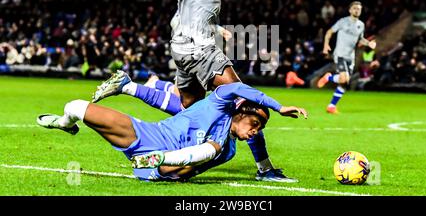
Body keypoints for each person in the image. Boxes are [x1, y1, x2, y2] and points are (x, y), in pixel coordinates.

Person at [155, 0, 294, 182]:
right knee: (246, 99)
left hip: (184, 50)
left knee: (192, 109)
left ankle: (172, 160)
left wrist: (217, 28)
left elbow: (195, 4)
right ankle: (265, 169)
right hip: (200, 50)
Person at [37, 81, 307, 181]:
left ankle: (158, 160)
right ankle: (64, 124)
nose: (255, 133)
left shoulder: (228, 149)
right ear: (242, 111)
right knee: (74, 106)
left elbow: (192, 170)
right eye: (256, 125)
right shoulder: (218, 101)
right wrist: (278, 106)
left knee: (211, 151)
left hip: (162, 166)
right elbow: (237, 88)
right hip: (148, 136)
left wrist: (167, 166)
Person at [317, 1, 377, 114]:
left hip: (351, 57)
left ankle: (331, 106)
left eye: (359, 9)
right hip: (340, 54)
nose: (357, 10)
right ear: (350, 10)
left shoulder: (361, 25)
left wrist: (369, 43)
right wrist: (326, 45)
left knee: (345, 82)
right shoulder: (343, 22)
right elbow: (329, 32)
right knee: (344, 78)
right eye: (354, 8)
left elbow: (361, 39)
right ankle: (329, 78)